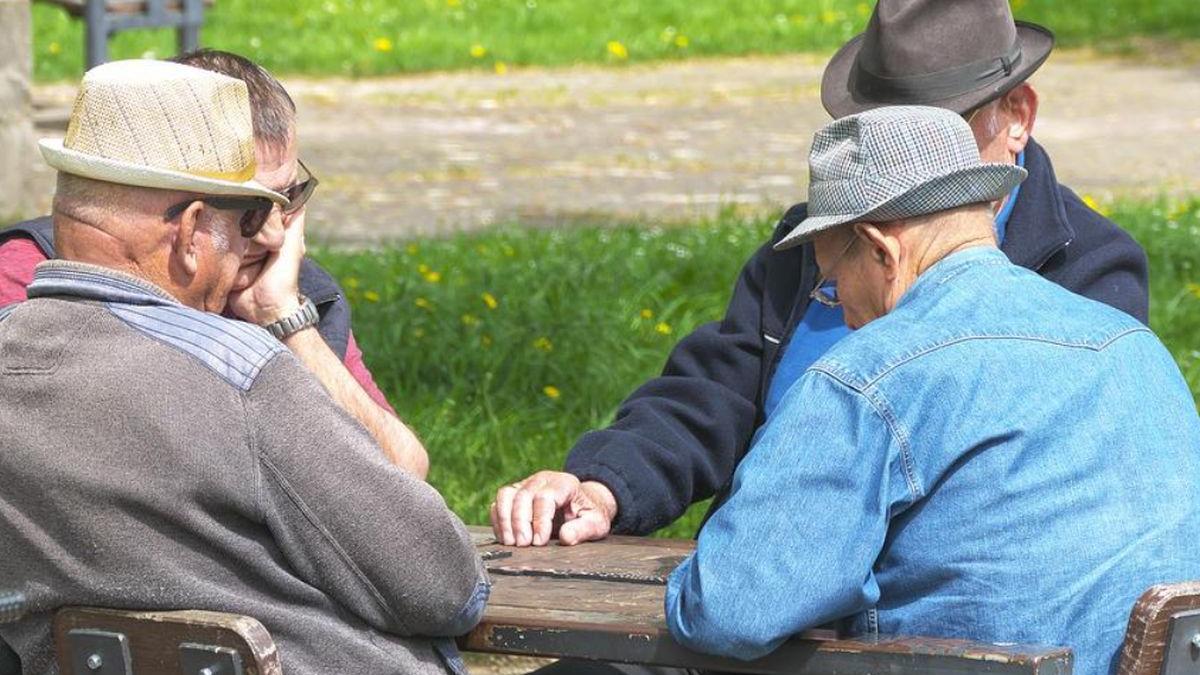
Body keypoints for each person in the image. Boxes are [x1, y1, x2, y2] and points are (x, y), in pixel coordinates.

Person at [491, 0, 1150, 549]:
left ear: (1018, 118)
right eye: (886, 135)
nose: (909, 169)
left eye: (939, 134)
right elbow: (714, 391)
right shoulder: (816, 242)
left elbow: (1053, 495)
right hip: (756, 592)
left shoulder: (1083, 272)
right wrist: (603, 484)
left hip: (923, 618)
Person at [664, 105, 1200, 675]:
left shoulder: (869, 378)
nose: (840, 308)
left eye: (829, 281)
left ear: (880, 250)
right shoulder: (1133, 346)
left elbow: (733, 608)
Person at [0, 59, 488, 675]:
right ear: (193, 231)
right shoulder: (242, 374)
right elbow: (445, 586)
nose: (277, 237)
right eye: (253, 215)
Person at [0, 49, 430, 477]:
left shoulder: (294, 291)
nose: (275, 235)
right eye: (252, 210)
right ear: (186, 212)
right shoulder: (32, 279)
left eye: (290, 199)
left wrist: (284, 320)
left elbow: (400, 479)